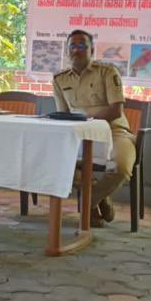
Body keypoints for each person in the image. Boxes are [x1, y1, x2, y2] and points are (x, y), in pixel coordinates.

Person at [52, 30, 136, 227]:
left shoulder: (107, 72)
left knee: (121, 168)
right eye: (72, 46)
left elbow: (116, 110)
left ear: (92, 49)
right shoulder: (60, 79)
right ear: (67, 50)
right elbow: (63, 115)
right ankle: (101, 198)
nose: (76, 50)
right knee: (55, 161)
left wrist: (87, 120)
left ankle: (87, 202)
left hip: (114, 131)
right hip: (79, 135)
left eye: (82, 46)